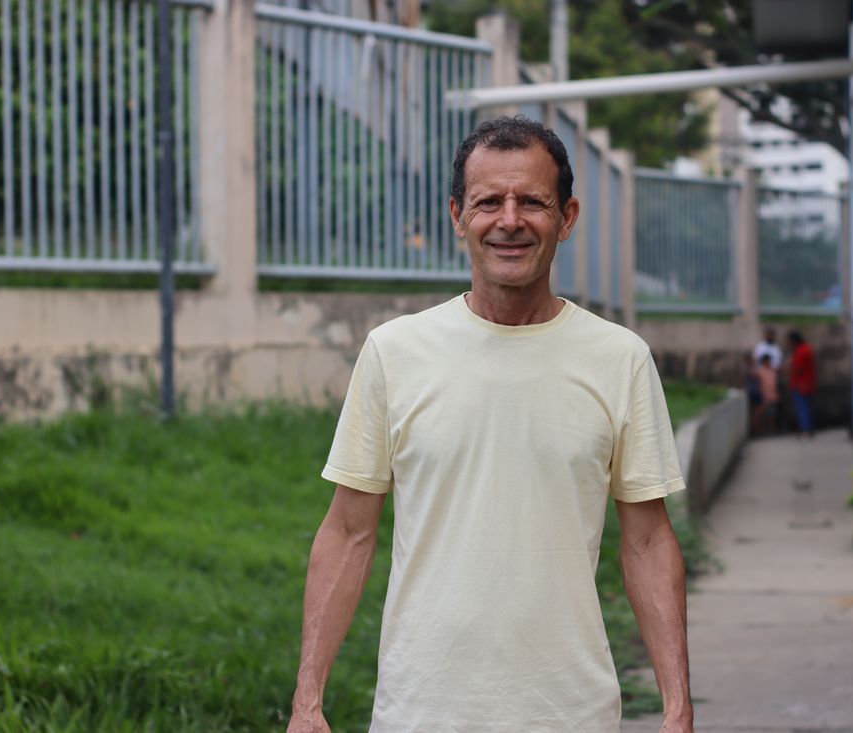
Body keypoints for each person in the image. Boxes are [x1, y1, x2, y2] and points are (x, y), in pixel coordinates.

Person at [287, 116, 692, 733]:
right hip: (422, 713)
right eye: (487, 202)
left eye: (532, 201)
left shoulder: (620, 359)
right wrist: (307, 703)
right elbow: (347, 532)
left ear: (567, 217)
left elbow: (647, 540)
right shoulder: (395, 352)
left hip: (570, 715)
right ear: (457, 215)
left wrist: (677, 708)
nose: (509, 220)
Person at [787, 330, 816, 437]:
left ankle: (805, 430)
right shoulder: (806, 349)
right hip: (807, 383)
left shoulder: (801, 351)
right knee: (806, 408)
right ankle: (808, 429)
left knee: (802, 409)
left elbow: (798, 369)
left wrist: (789, 367)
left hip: (800, 385)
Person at [753, 353, 779, 435]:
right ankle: (756, 431)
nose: (768, 362)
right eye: (766, 361)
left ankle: (772, 431)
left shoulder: (773, 370)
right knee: (759, 414)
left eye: (768, 361)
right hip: (763, 396)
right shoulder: (760, 371)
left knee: (772, 414)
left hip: (772, 396)